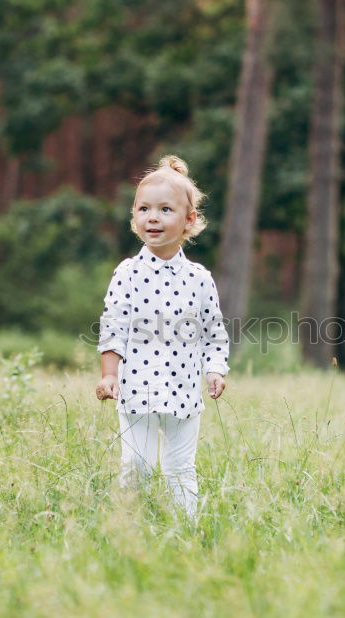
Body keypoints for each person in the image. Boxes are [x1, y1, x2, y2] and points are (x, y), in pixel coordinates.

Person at [95, 155, 230, 517]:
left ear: (188, 220)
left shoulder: (200, 278)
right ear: (134, 217)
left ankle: (186, 531)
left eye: (165, 209)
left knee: (181, 468)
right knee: (136, 465)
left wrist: (214, 369)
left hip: (184, 389)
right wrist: (109, 374)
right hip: (135, 387)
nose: (152, 217)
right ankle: (126, 526)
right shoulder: (127, 273)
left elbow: (213, 332)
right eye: (143, 209)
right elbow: (113, 327)